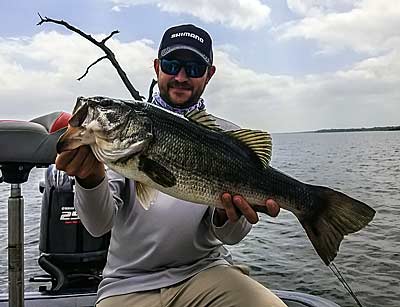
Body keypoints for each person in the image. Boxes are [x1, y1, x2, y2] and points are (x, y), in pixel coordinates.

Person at [56, 24, 287, 307]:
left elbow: (231, 237)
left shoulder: (228, 138)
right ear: (157, 67)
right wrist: (90, 179)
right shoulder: (115, 144)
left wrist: (227, 216)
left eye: (193, 68)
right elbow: (97, 225)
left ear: (209, 74)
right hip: (128, 282)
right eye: (171, 64)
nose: (180, 76)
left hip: (206, 271)